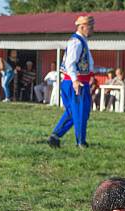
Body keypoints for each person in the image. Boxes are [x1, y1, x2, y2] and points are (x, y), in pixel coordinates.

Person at [47, 15, 95, 149]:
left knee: (72, 112)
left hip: (76, 82)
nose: (93, 30)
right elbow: (70, 63)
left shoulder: (80, 41)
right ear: (82, 27)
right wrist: (75, 81)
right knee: (80, 112)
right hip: (76, 83)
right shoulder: (76, 42)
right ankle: (81, 142)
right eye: (91, 27)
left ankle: (55, 136)